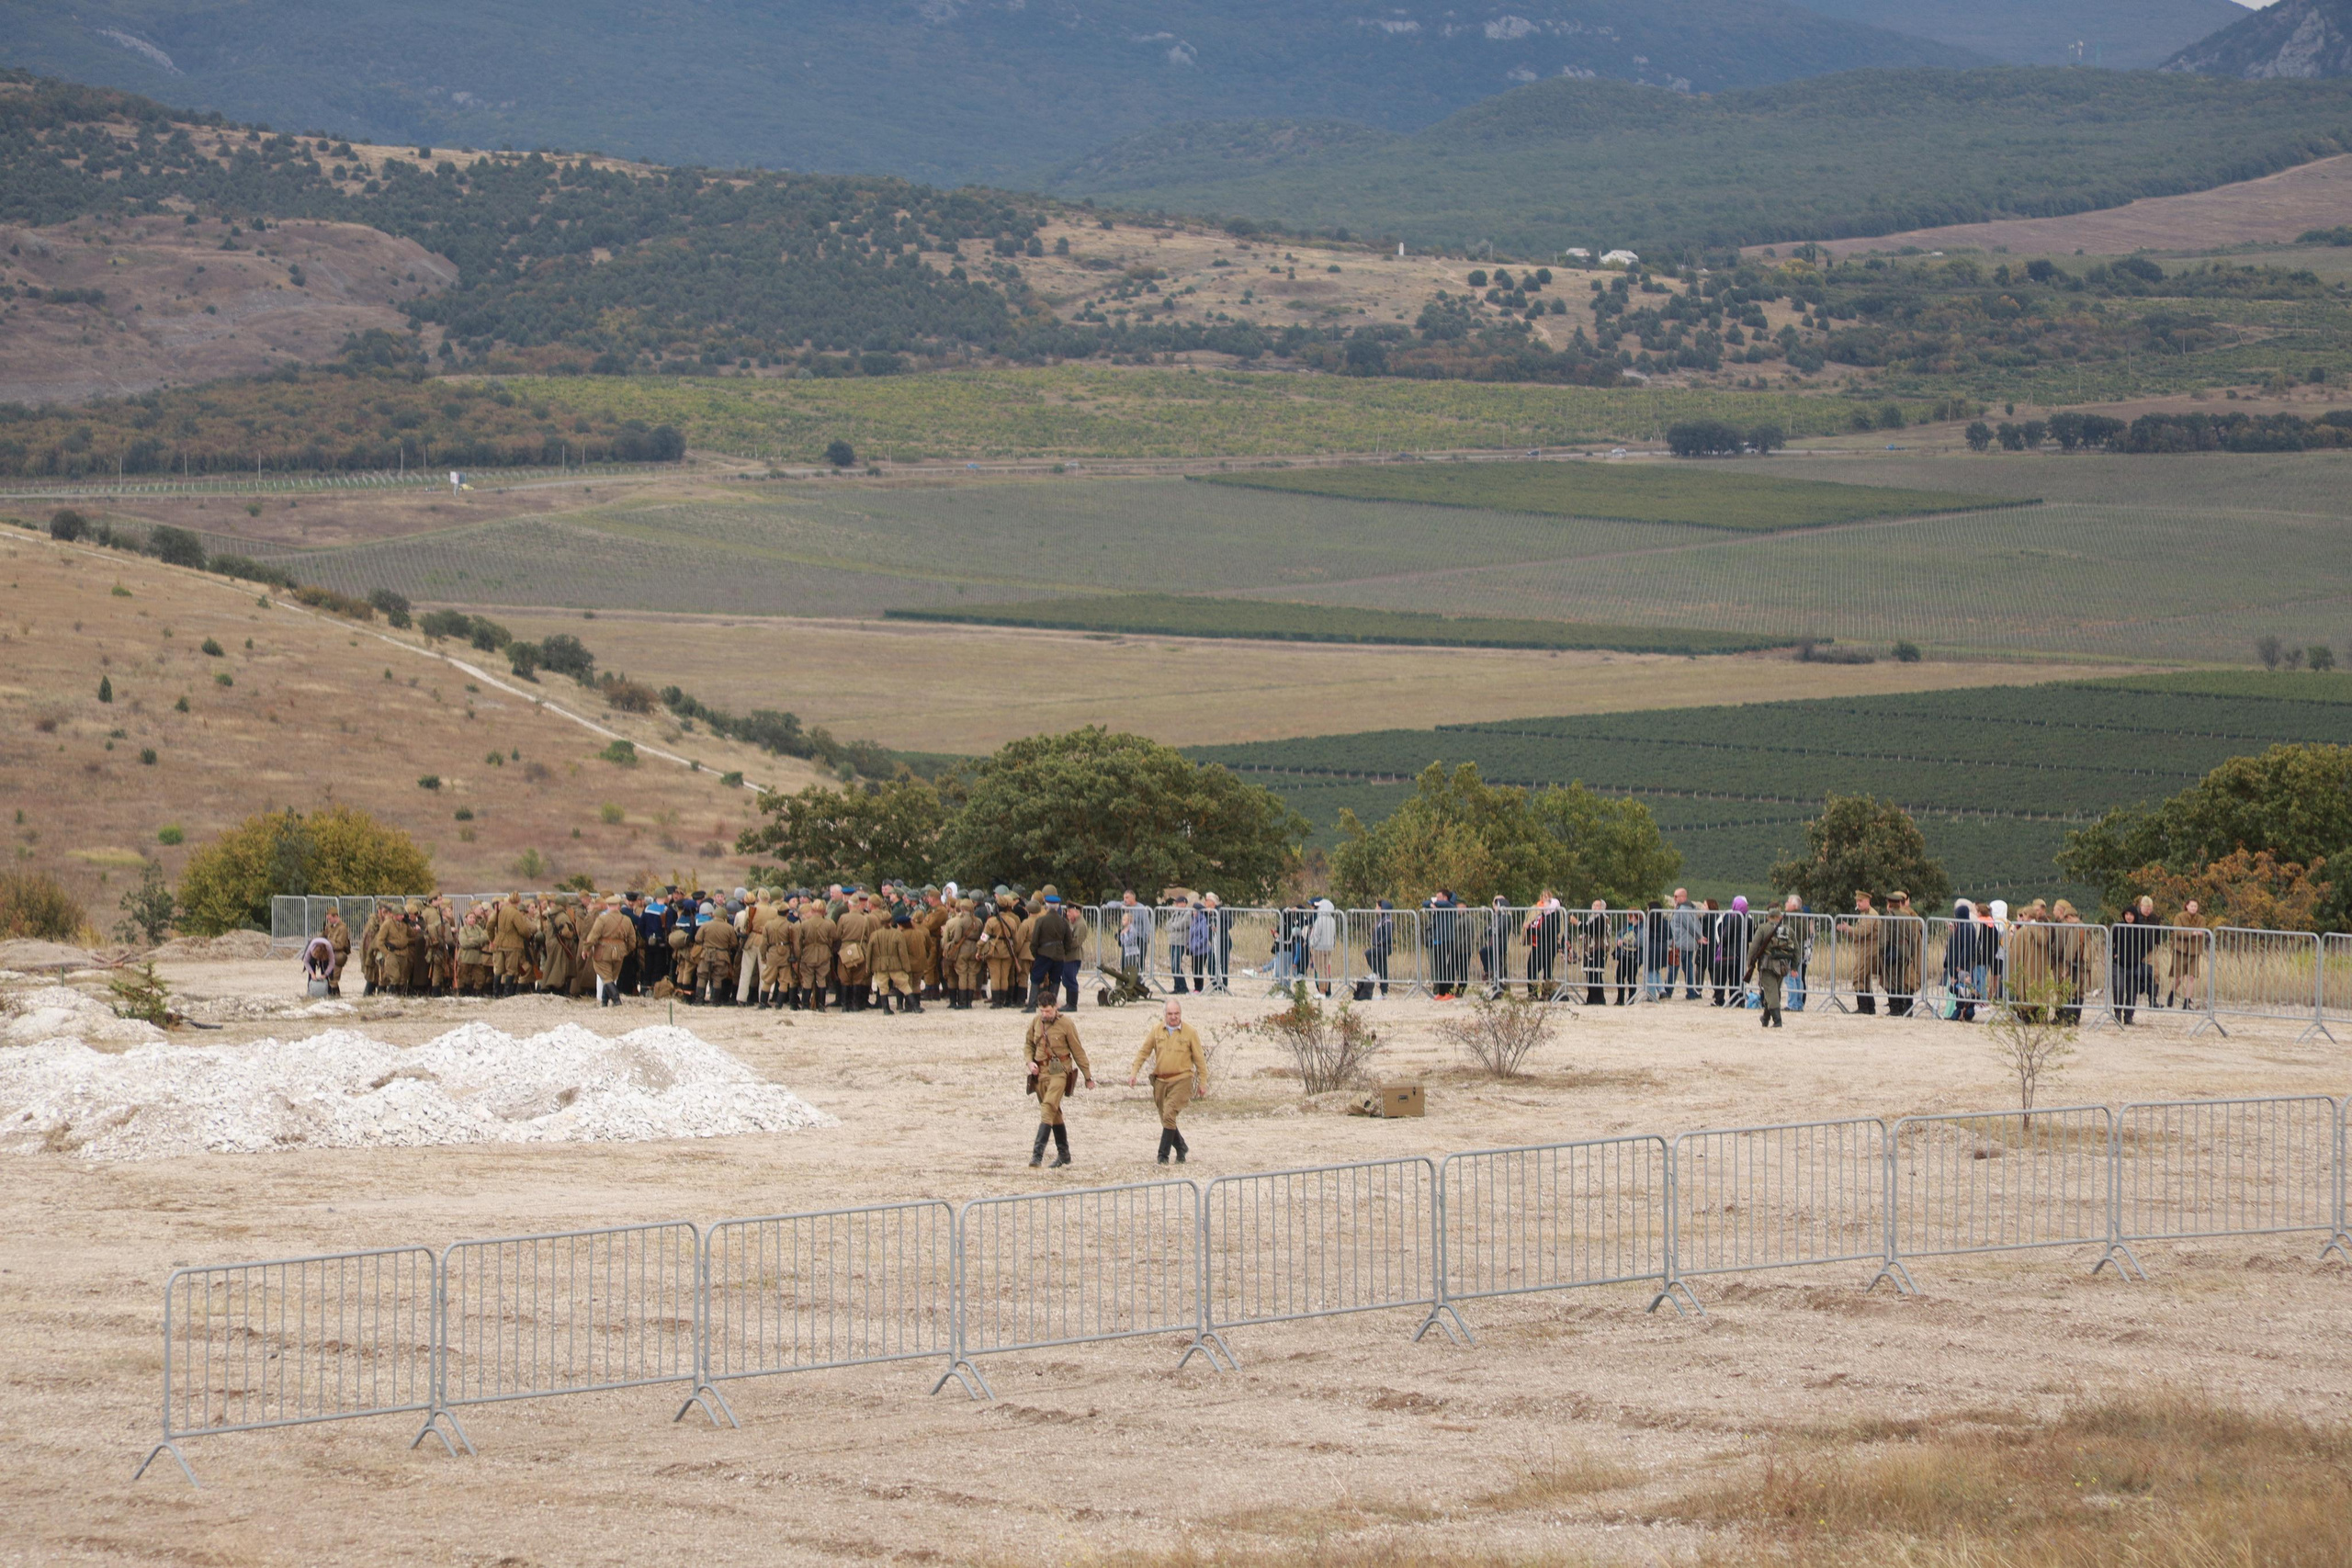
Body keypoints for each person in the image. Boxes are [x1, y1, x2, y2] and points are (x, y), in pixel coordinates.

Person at [1129, 998, 1209, 1164]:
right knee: (1166, 1119)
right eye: (1170, 1014)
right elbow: (1143, 1052)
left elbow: (1199, 1059)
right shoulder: (1157, 1030)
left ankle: (1162, 1156)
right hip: (1160, 1081)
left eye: (1176, 1014)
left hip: (1182, 1079)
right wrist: (1134, 1072)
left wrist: (1203, 1082)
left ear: (1181, 1014)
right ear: (1165, 1015)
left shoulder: (1190, 1032)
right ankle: (1181, 1147)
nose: (1173, 1017)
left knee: (1169, 1113)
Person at [1023, 998, 1093, 1168]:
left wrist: (1087, 1076)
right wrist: (1029, 1062)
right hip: (1041, 1073)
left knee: (1048, 1108)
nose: (1045, 1014)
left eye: (1048, 1011)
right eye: (1042, 1011)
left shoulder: (1066, 1024)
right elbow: (1028, 1045)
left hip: (1060, 1071)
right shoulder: (1035, 1022)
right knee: (1054, 1113)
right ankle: (1064, 1154)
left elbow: (1078, 1050)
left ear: (1056, 1008)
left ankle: (1037, 1156)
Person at [1743, 894, 1804, 1027]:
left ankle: (1777, 1021)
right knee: (1773, 992)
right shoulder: (1788, 930)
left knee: (1771, 992)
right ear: (1780, 917)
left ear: (1768, 917)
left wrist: (1749, 964)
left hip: (1767, 965)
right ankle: (1765, 1018)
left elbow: (1753, 947)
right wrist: (1794, 966)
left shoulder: (1763, 928)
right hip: (1783, 966)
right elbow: (1797, 950)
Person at [584, 896, 638, 1007]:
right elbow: (632, 940)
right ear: (619, 906)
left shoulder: (602, 919)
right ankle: (604, 1002)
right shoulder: (627, 920)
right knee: (612, 977)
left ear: (608, 906)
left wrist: (586, 948)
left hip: (602, 951)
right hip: (620, 951)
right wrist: (626, 950)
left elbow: (593, 936)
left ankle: (616, 1000)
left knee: (606, 977)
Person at [871, 912, 920, 1012]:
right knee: (904, 984)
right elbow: (902, 952)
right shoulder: (898, 934)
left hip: (880, 965)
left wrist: (869, 965)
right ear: (891, 921)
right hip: (895, 964)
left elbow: (869, 952)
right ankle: (915, 1007)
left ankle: (886, 1009)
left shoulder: (874, 935)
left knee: (883, 986)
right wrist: (906, 967)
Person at [1882, 891, 1919, 1016]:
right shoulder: (1907, 916)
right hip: (1906, 951)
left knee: (1891, 980)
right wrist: (1912, 953)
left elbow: (1884, 938)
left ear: (1889, 903)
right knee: (1900, 979)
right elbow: (1912, 938)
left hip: (1893, 951)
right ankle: (1903, 1008)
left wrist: (1882, 952)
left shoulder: (1888, 916)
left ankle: (1895, 1009)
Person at [1522, 891, 1563, 1000]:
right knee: (1541, 969)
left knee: (1539, 969)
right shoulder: (1545, 915)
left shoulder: (1552, 917)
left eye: (1548, 901)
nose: (1544, 903)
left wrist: (1530, 928)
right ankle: (1539, 994)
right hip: (1541, 946)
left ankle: (1541, 993)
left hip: (1547, 947)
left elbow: (1543, 932)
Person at [1668, 889, 1701, 1000]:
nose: (1674, 898)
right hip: (1688, 942)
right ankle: (1690, 992)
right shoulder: (1691, 909)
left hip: (1681, 943)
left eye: (1676, 896)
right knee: (1688, 967)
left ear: (1683, 897)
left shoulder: (1683, 910)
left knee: (1674, 966)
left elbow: (1691, 926)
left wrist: (1699, 937)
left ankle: (1668, 991)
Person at [1306, 897, 1339, 997]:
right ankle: (1325, 990)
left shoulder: (1320, 920)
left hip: (1319, 948)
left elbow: (1316, 935)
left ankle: (1322, 991)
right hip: (1328, 948)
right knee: (1325, 970)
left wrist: (1311, 944)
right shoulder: (1332, 920)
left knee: (1320, 969)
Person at [1364, 898, 1396, 996]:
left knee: (1368, 953)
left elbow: (1388, 934)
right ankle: (1384, 992)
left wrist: (1381, 942)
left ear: (1382, 908)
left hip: (1384, 947)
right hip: (1380, 947)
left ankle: (1376, 973)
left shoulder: (1387, 919)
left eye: (1377, 906)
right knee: (1383, 968)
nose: (1375, 908)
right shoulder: (1381, 919)